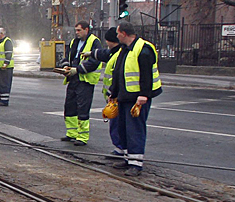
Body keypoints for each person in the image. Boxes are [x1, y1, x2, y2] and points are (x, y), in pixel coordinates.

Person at [107, 21, 162, 177]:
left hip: (137, 98)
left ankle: (136, 164)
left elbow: (146, 75)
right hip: (125, 96)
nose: (116, 36)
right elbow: (119, 73)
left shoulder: (143, 50)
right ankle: (127, 158)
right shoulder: (125, 50)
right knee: (123, 129)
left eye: (118, 33)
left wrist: (144, 95)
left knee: (135, 130)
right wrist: (114, 93)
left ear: (124, 34)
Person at [81, 27, 125, 159]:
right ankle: (119, 149)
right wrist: (92, 54)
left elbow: (118, 75)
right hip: (113, 96)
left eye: (108, 41)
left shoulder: (120, 54)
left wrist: (113, 92)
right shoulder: (115, 52)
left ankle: (122, 151)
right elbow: (103, 53)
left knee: (118, 125)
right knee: (115, 124)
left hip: (117, 96)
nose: (107, 44)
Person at [58, 22, 100, 146]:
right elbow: (68, 57)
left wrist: (78, 69)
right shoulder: (74, 42)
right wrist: (65, 66)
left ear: (86, 30)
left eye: (79, 30)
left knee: (83, 108)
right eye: (76, 30)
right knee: (70, 106)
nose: (76, 32)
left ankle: (82, 136)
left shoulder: (94, 42)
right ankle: (72, 133)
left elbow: (94, 62)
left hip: (85, 79)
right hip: (73, 78)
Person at [0, 27, 14, 106]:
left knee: (5, 84)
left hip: (5, 68)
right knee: (0, 83)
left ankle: (5, 100)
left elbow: (8, 53)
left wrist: (5, 64)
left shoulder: (7, 41)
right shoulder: (0, 42)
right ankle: (1, 98)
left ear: (2, 34)